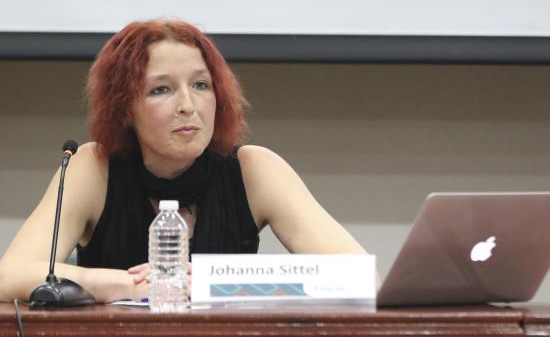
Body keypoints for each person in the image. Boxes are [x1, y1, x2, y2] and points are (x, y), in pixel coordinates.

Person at [0, 19, 367, 303]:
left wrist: (216, 283)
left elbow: (360, 277)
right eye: (161, 89)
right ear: (125, 108)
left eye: (200, 85)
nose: (188, 106)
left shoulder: (254, 169)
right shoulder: (92, 168)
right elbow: (10, 275)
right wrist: (124, 283)